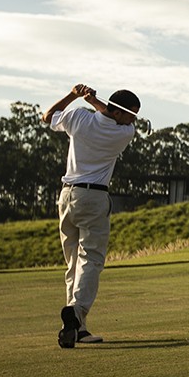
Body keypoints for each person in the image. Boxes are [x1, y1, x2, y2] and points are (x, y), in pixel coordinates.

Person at [42, 84, 141, 348]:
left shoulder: (77, 117)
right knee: (91, 259)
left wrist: (74, 96)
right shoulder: (125, 132)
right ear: (120, 113)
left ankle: (77, 329)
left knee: (73, 262)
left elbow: (48, 116)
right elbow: (109, 114)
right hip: (94, 197)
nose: (134, 120)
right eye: (132, 114)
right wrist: (94, 100)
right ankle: (77, 311)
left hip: (67, 196)